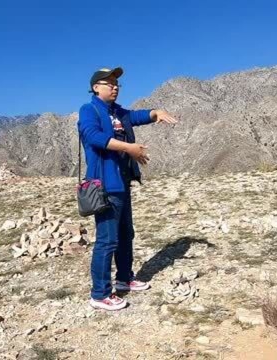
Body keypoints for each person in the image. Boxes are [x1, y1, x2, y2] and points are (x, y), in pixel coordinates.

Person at [77, 67, 178, 311]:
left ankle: (124, 278)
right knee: (107, 240)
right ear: (95, 87)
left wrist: (156, 113)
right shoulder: (89, 110)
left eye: (117, 83)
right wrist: (128, 148)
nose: (115, 86)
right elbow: (93, 137)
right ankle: (99, 294)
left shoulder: (117, 112)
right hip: (104, 185)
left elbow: (135, 116)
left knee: (126, 234)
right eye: (109, 82)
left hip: (122, 182)